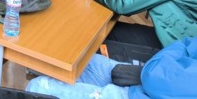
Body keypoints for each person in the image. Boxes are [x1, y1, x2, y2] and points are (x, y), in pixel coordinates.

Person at [26, 36, 197, 98]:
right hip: (144, 78)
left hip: (141, 90)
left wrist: (173, 55)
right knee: (75, 58)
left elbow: (157, 78)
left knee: (38, 86)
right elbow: (188, 42)